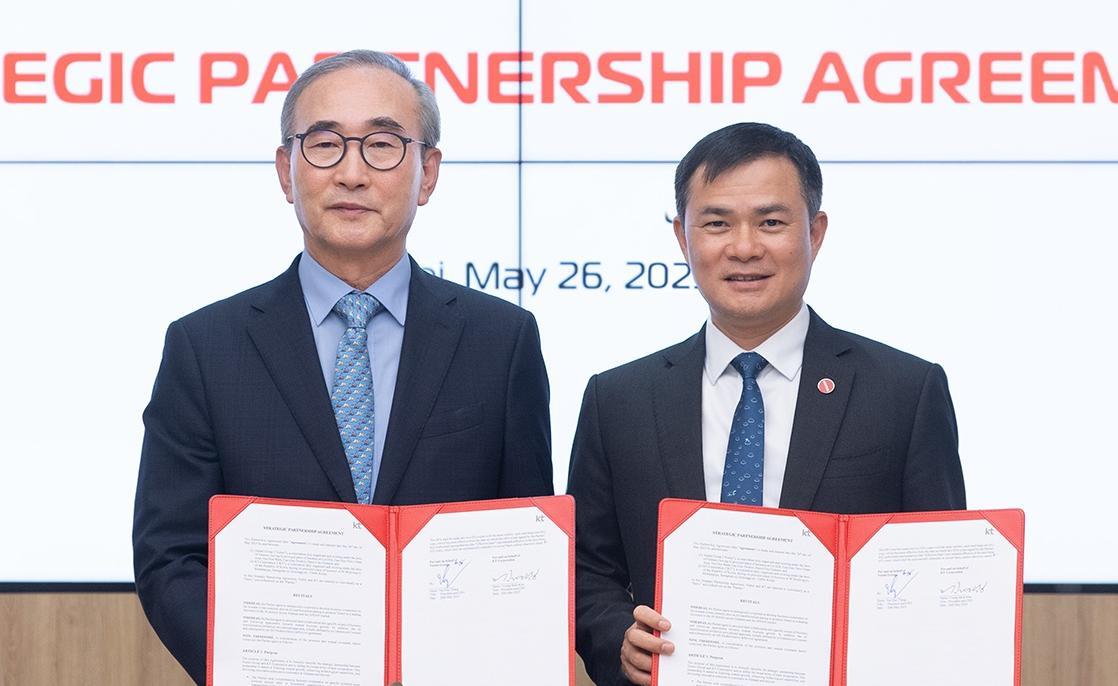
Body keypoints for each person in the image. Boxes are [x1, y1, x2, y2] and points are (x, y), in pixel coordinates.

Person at [132, 50, 553, 684]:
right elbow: (171, 556)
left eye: (382, 145)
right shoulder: (205, 346)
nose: (352, 174)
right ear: (286, 171)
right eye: (325, 145)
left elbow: (525, 546)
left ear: (428, 173)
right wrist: (257, 671)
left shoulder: (502, 341)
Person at [567, 122, 965, 686]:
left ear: (815, 232)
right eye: (717, 223)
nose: (745, 247)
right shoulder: (618, 399)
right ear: (682, 238)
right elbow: (588, 570)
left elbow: (938, 575)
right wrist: (618, 640)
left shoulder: (904, 392)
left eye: (771, 222)